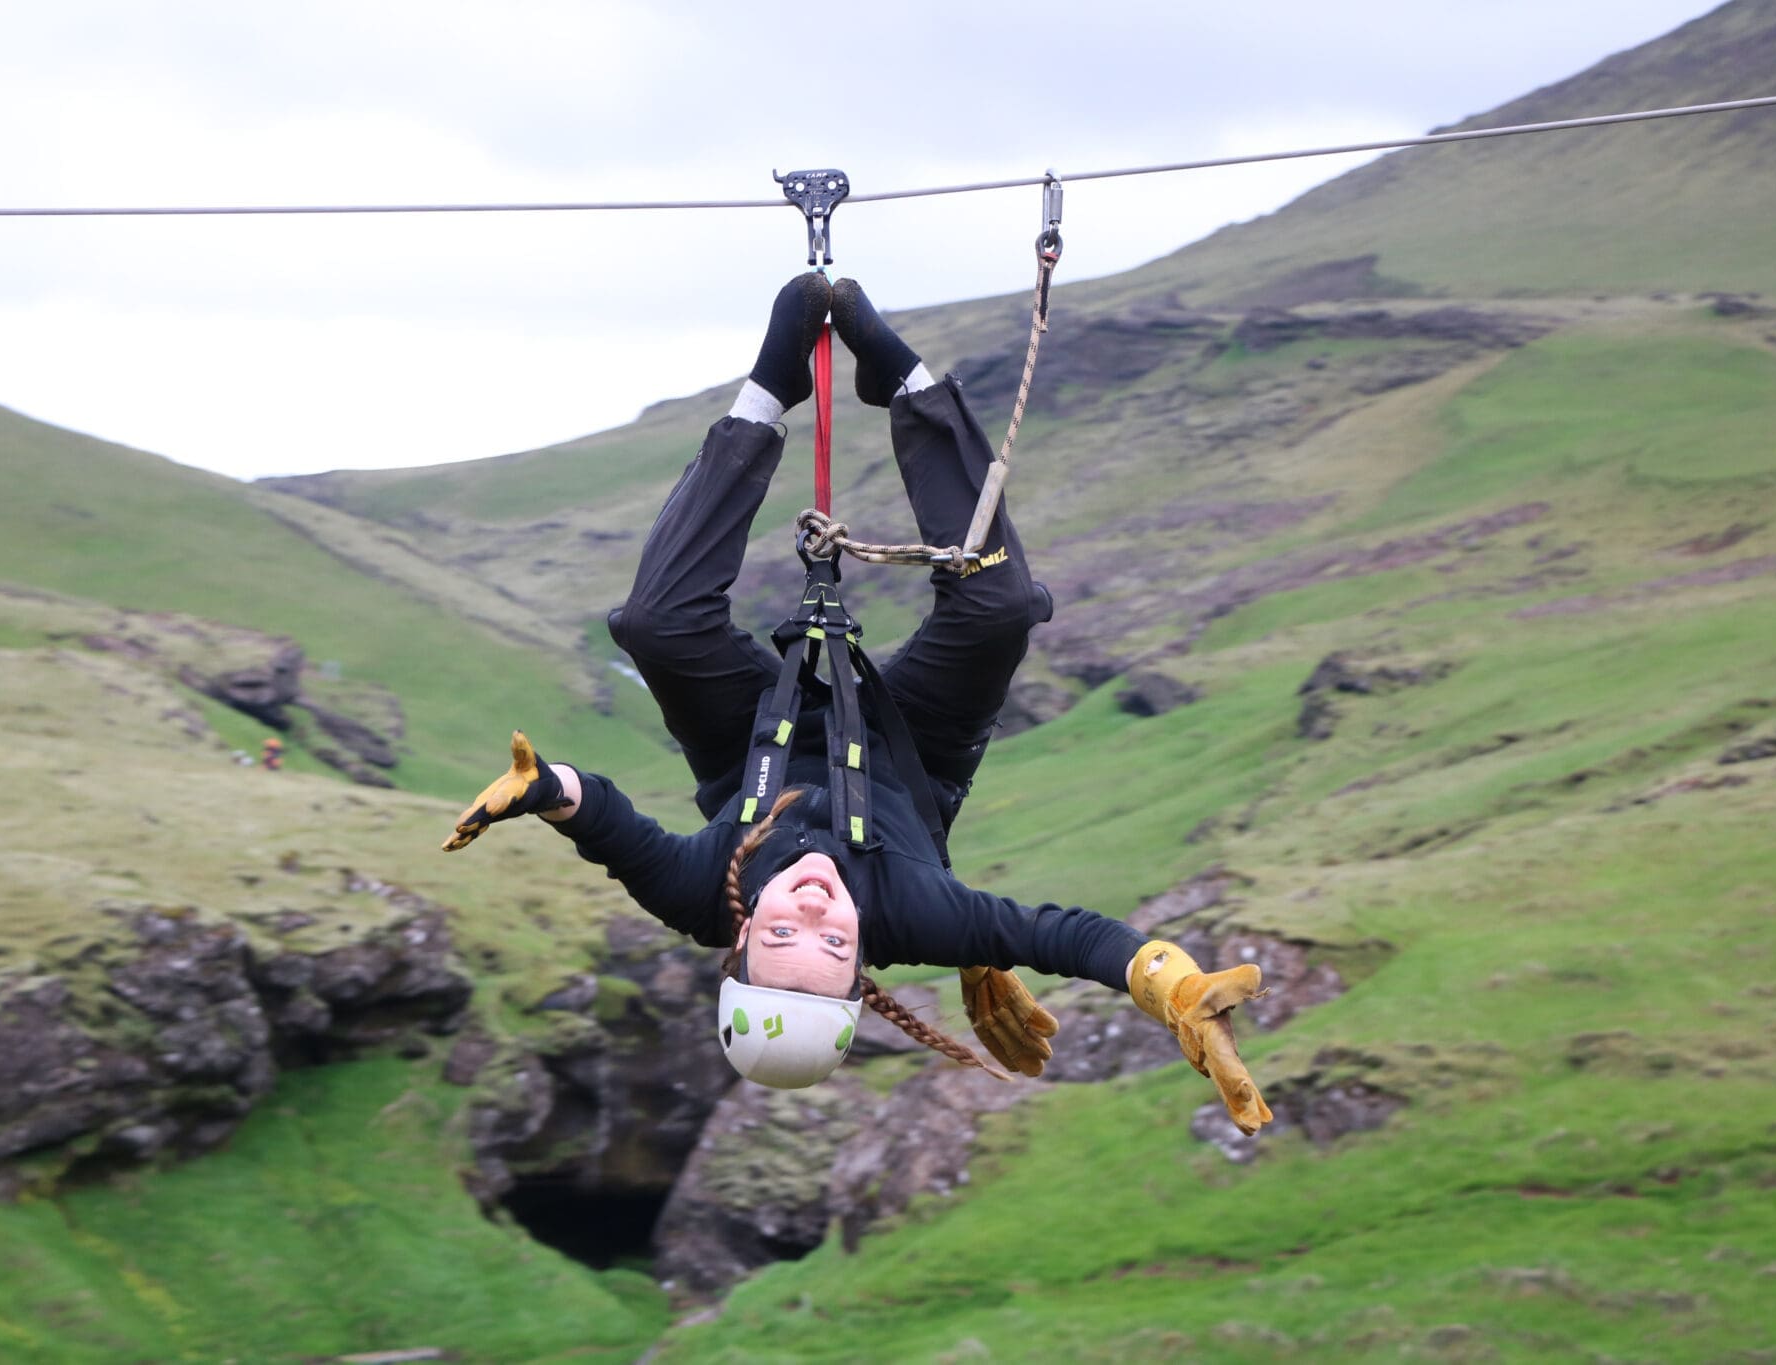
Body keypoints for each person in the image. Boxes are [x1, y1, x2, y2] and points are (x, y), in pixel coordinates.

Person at [443, 275, 1272, 1134]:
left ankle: (767, 395)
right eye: (836, 945)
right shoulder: (915, 911)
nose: (813, 913)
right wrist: (1168, 983)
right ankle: (910, 389)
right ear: (863, 959)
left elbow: (607, 822)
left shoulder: (698, 893)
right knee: (1001, 610)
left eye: (783, 939)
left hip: (752, 740)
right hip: (909, 750)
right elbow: (1061, 936)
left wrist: (543, 788)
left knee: (655, 625)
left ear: (740, 937)